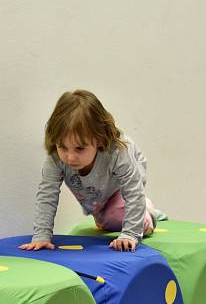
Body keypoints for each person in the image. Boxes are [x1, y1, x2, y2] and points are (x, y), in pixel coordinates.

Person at [20, 89, 166, 253]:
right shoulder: (55, 158)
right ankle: (111, 214)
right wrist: (41, 236)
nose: (70, 157)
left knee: (118, 217)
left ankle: (148, 213)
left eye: (79, 148)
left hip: (124, 180)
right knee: (105, 222)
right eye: (63, 147)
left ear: (99, 139)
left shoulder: (117, 152)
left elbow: (133, 191)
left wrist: (130, 234)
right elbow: (47, 195)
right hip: (99, 191)